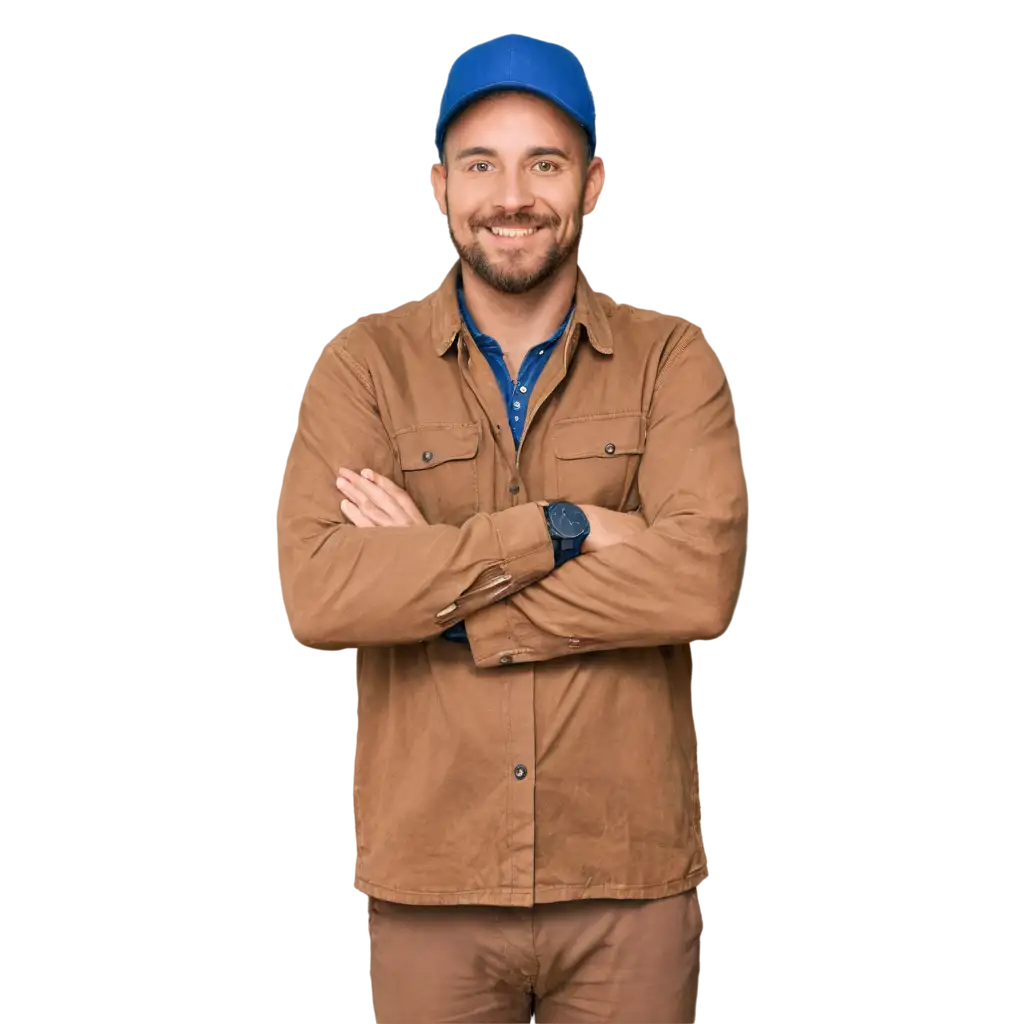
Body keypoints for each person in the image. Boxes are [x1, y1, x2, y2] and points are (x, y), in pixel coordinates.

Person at [273, 31, 745, 1024]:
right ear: (437, 187)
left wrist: (439, 591)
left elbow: (696, 582)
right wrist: (562, 525)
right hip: (431, 884)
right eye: (480, 164)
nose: (512, 193)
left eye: (544, 162)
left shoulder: (670, 361)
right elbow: (321, 590)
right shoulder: (360, 365)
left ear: (593, 182)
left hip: (628, 883)